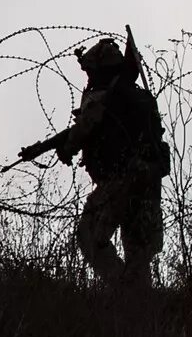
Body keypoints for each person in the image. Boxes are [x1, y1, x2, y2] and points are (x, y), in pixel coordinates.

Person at [17, 29, 168, 287]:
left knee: (89, 234)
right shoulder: (137, 97)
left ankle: (123, 289)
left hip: (120, 178)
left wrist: (68, 148)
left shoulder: (104, 95)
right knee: (138, 251)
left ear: (100, 69)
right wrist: (44, 147)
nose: (88, 77)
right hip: (148, 182)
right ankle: (142, 305)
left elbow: (85, 127)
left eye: (90, 71)